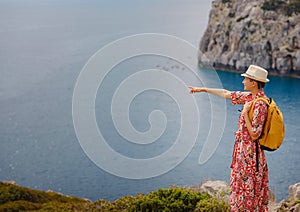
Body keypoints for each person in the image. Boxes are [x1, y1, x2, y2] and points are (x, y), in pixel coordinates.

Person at [188, 65, 269, 211]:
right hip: (243, 151)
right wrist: (203, 90)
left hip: (250, 155)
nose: (243, 81)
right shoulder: (250, 97)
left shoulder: (260, 104)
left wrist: (244, 113)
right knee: (241, 190)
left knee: (248, 192)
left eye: (246, 79)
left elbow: (255, 134)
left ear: (254, 83)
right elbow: (226, 93)